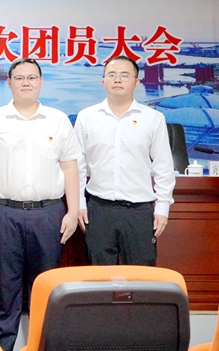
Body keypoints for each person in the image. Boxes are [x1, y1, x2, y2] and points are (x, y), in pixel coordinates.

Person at [0, 58, 79, 351]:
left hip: (49, 213)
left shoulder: (58, 120)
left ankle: (43, 345)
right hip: (2, 212)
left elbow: (70, 167)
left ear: (41, 82)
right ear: (9, 83)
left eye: (32, 77)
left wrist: (72, 211)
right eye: (19, 78)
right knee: (4, 285)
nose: (26, 83)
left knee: (46, 285)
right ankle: (2, 346)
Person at [75, 55, 175, 266]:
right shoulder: (86, 117)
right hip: (98, 210)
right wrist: (79, 204)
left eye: (124, 75)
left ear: (137, 82)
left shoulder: (153, 118)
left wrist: (162, 208)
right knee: (99, 277)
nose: (117, 80)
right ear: (103, 81)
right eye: (112, 75)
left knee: (141, 277)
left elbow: (164, 167)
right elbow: (78, 166)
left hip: (139, 212)